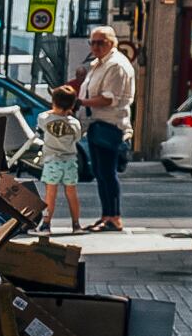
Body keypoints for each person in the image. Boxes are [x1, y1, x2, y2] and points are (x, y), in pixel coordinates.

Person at [74, 26, 136, 231]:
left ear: (112, 43)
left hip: (109, 124)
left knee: (107, 173)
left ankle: (114, 216)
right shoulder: (99, 64)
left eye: (100, 42)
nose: (95, 46)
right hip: (96, 124)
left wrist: (81, 102)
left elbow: (109, 99)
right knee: (100, 173)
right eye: (92, 42)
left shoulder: (115, 65)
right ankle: (106, 215)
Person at [37, 95, 86, 232]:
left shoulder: (45, 119)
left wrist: (52, 111)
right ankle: (76, 224)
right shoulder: (74, 123)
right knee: (71, 193)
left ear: (53, 103)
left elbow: (41, 119)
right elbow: (77, 137)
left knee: (50, 194)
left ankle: (46, 224)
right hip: (69, 161)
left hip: (52, 160)